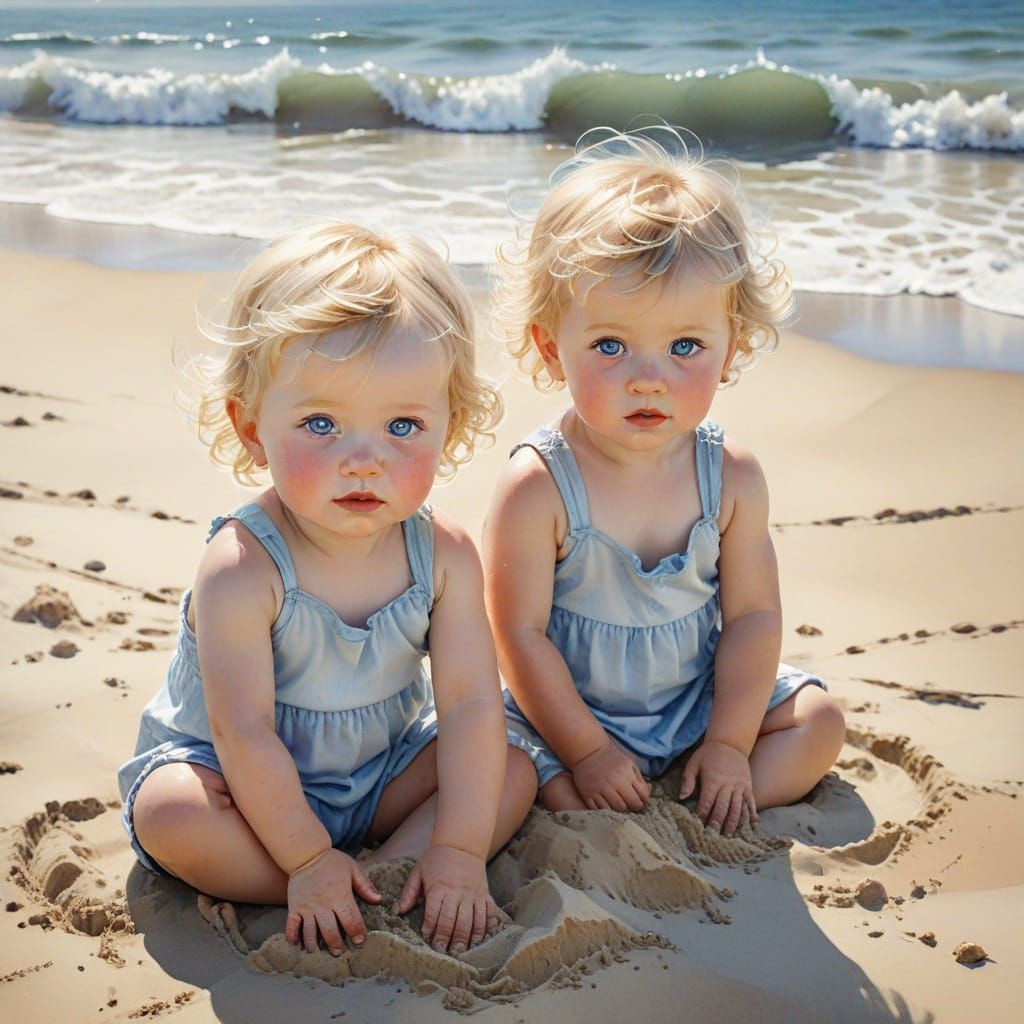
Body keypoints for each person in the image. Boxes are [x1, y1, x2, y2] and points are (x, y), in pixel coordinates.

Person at [117, 222, 538, 958]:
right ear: (252, 429)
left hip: (377, 772)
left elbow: (469, 703)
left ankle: (392, 869)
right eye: (321, 424)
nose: (364, 460)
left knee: (513, 768)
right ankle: (315, 879)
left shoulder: (443, 557)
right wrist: (305, 860)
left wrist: (463, 851)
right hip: (239, 786)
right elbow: (241, 733)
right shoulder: (243, 567)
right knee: (170, 815)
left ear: (452, 426)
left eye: (403, 424)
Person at [484, 127, 845, 839]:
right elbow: (518, 637)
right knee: (502, 768)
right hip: (564, 716)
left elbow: (752, 619)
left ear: (730, 346)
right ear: (551, 346)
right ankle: (606, 797)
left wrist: (729, 744)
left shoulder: (730, 476)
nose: (648, 377)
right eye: (610, 345)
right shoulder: (540, 485)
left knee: (819, 724)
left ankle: (699, 799)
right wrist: (585, 750)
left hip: (692, 703)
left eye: (686, 347)